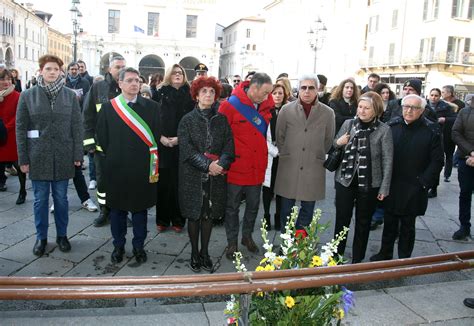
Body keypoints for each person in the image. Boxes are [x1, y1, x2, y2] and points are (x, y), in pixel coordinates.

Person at [16, 54, 83, 256]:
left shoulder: (70, 96)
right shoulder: (28, 95)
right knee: (40, 200)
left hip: (63, 155)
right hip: (38, 156)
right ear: (41, 71)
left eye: (56, 69)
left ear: (60, 72)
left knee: (62, 199)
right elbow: (21, 128)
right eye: (48, 69)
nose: (52, 72)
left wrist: (77, 153)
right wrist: (23, 159)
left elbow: (77, 126)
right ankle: (41, 237)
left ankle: (62, 235)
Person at [96, 67, 160, 264]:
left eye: (137, 80)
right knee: (117, 211)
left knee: (140, 211)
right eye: (130, 80)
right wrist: (116, 156)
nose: (134, 84)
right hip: (117, 168)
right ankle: (118, 246)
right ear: (120, 84)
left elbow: (155, 137)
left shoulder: (152, 107)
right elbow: (102, 138)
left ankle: (139, 246)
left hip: (142, 168)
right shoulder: (108, 108)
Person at [370, 94, 443, 261]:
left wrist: (424, 183)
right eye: (406, 106)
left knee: (408, 225)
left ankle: (405, 257)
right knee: (389, 220)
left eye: (414, 108)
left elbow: (437, 161)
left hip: (414, 185)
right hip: (392, 183)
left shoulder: (432, 130)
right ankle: (385, 253)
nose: (409, 110)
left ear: (422, 110)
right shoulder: (392, 126)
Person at [178, 77, 234, 272]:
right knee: (194, 215)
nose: (208, 95)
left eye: (212, 91)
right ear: (196, 95)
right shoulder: (187, 120)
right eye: (204, 91)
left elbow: (229, 146)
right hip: (192, 176)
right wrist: (208, 165)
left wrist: (221, 164)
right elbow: (186, 149)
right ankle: (194, 252)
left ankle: (205, 252)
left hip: (215, 176)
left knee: (208, 214)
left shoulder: (222, 119)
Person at [333, 92, 393, 263]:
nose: (362, 111)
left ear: (377, 110)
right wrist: (339, 143)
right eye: (360, 107)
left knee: (363, 222)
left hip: (370, 183)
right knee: (341, 219)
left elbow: (388, 160)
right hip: (345, 179)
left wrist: (384, 187)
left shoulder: (384, 130)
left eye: (367, 108)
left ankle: (357, 259)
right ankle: (336, 255)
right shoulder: (348, 124)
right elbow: (334, 143)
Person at [218, 72, 274, 259]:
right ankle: (232, 242)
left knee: (253, 206)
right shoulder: (230, 105)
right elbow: (220, 137)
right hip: (236, 167)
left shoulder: (267, 107)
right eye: (265, 92)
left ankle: (247, 236)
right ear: (254, 87)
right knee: (232, 207)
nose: (267, 97)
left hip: (257, 167)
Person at [275, 74, 335, 233]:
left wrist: (315, 152)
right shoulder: (286, 110)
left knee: (307, 210)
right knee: (286, 210)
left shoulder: (328, 113)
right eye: (303, 87)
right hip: (289, 165)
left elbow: (328, 140)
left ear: (318, 89)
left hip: (313, 166)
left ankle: (300, 247)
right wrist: (288, 152)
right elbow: (279, 136)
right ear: (298, 89)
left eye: (311, 88)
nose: (307, 91)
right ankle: (286, 245)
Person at [83, 56, 127, 227]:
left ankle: (121, 211)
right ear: (109, 69)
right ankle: (104, 211)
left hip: (124, 147)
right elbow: (87, 116)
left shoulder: (129, 88)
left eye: (123, 67)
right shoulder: (98, 88)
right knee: (102, 181)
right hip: (102, 146)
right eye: (117, 67)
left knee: (122, 180)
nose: (120, 70)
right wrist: (89, 143)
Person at [153, 64, 194, 233]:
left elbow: (193, 122)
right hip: (162, 144)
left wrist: (179, 139)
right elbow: (152, 118)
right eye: (175, 72)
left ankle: (178, 220)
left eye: (181, 73)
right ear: (169, 75)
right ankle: (162, 219)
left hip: (181, 145)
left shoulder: (191, 96)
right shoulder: (159, 93)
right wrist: (160, 137)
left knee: (179, 184)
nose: (178, 75)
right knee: (163, 184)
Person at [262, 83, 288, 231]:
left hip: (284, 155)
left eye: (280, 93)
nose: (277, 95)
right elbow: (260, 136)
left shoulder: (288, 111)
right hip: (269, 155)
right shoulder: (265, 111)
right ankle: (266, 216)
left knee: (280, 189)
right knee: (267, 188)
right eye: (275, 93)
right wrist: (274, 150)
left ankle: (279, 217)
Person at [0, 69, 26, 204]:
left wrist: (5, 128)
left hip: (12, 135)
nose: (6, 82)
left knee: (19, 164)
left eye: (9, 79)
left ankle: (23, 191)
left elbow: (19, 116)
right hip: (0, 135)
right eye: (3, 79)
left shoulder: (18, 96)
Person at [451, 93, 474, 241]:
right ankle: (464, 226)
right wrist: (471, 152)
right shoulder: (465, 112)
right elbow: (456, 133)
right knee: (465, 193)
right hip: (466, 158)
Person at [426, 88, 457, 198]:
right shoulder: (424, 105)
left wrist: (445, 119)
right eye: (432, 95)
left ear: (439, 97)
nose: (433, 97)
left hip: (440, 137)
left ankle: (434, 187)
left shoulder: (445, 106)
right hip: (426, 136)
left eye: (436, 95)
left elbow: (455, 118)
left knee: (437, 161)